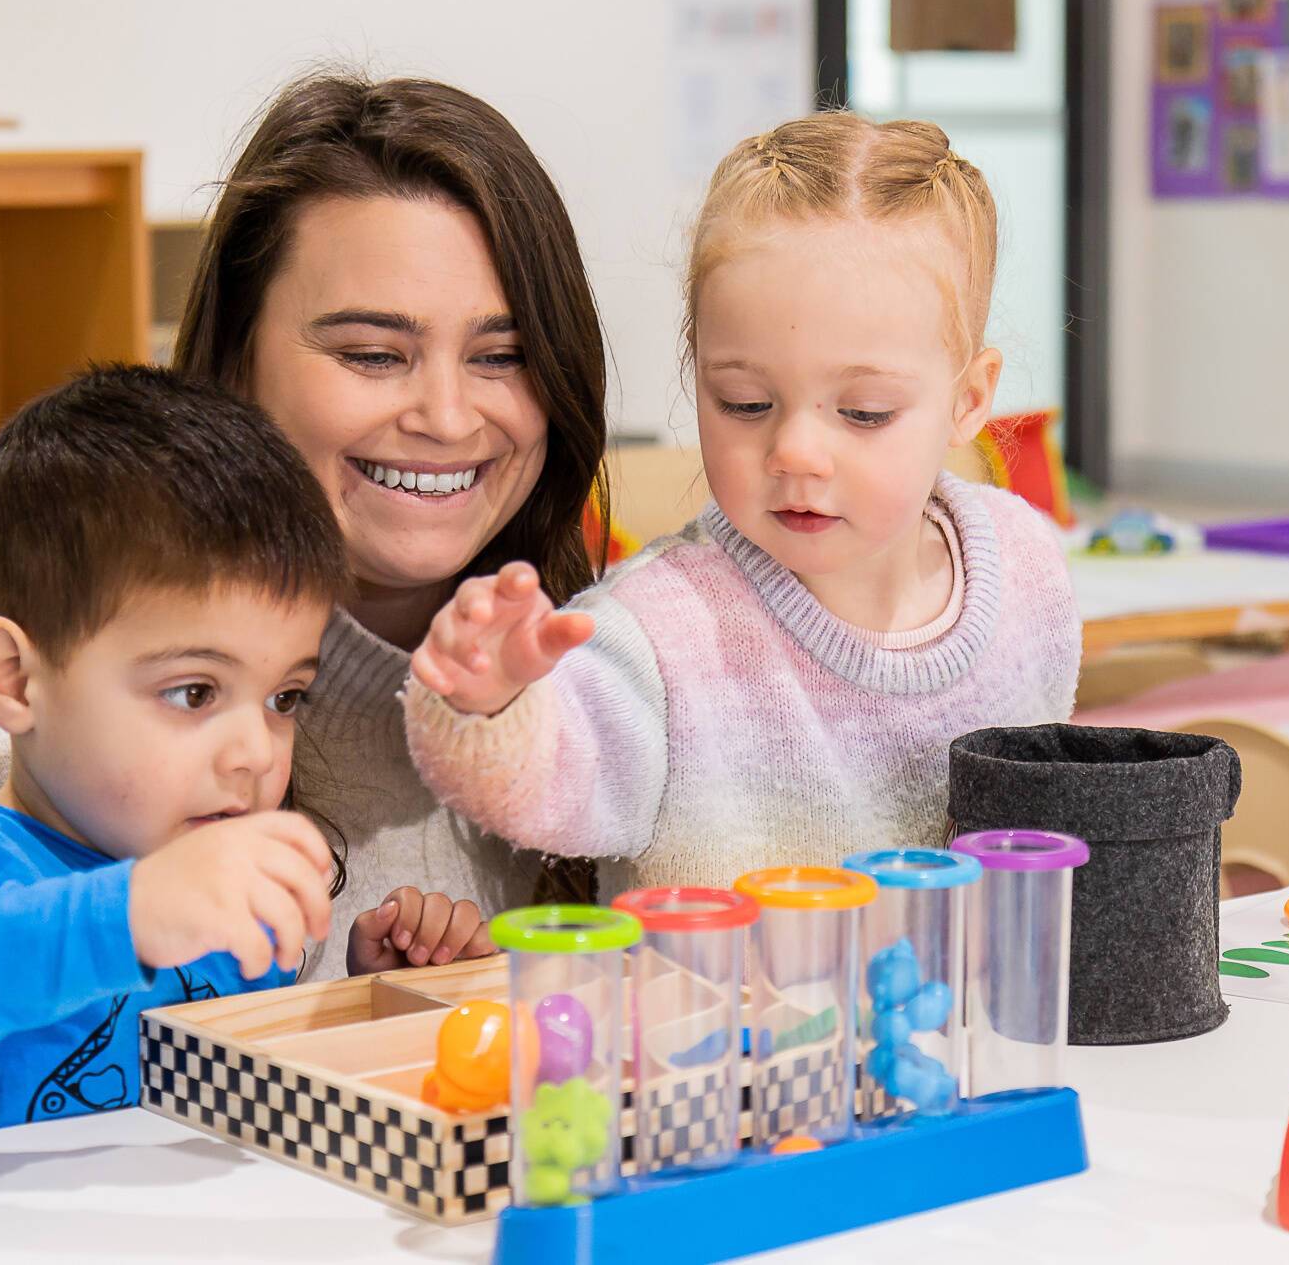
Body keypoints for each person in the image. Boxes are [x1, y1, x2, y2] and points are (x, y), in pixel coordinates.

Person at [0, 73, 613, 977]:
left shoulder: (609, 688)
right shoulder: (58, 704)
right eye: (373, 354)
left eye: (503, 356)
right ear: (236, 363)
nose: (447, 416)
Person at [404, 113, 1081, 895]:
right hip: (724, 1017)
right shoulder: (668, 626)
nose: (794, 450)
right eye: (745, 403)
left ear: (968, 399)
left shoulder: (1026, 570)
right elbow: (558, 769)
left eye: (863, 411)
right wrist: (490, 705)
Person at [0, 367, 388, 1148]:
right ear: (14, 679)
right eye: (193, 692)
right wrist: (120, 917)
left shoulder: (224, 898)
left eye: (285, 698)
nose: (256, 752)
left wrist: (364, 998)